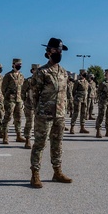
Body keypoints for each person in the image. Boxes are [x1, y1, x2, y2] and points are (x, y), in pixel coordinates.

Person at [30, 37, 72, 188]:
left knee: (57, 143)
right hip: (44, 114)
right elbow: (34, 93)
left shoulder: (64, 72)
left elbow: (65, 93)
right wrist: (38, 110)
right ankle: (35, 174)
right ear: (48, 52)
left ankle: (57, 172)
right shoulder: (42, 72)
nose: (58, 53)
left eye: (60, 51)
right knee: (40, 144)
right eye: (56, 50)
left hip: (59, 114)